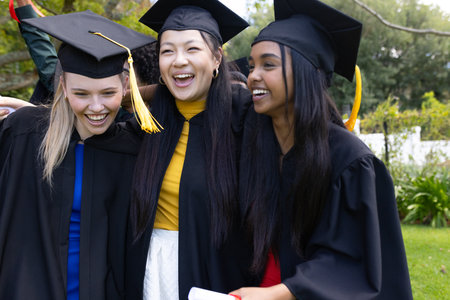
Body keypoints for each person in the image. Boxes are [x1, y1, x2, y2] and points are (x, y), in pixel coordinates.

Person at [231, 0, 413, 299]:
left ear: (306, 72)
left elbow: (353, 258)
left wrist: (280, 293)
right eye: (251, 66)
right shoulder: (254, 137)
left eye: (268, 65)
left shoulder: (349, 160)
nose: (253, 76)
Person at [0, 11, 156, 299]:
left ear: (125, 88)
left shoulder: (132, 148)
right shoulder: (24, 135)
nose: (96, 107)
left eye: (107, 93)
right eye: (82, 94)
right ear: (64, 88)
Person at [126, 0, 256, 299]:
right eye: (167, 51)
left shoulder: (247, 120)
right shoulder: (146, 126)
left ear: (216, 58)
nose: (178, 60)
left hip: (216, 276)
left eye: (192, 49)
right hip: (149, 271)